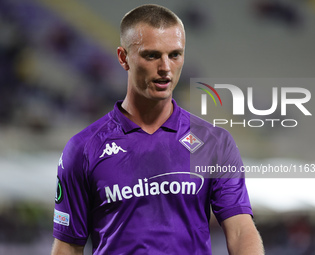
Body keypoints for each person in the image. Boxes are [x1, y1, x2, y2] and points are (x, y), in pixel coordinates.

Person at [51, 4, 264, 255]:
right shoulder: (83, 150)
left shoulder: (214, 143)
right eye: (152, 55)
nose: (165, 68)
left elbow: (240, 231)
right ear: (123, 57)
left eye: (175, 54)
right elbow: (67, 246)